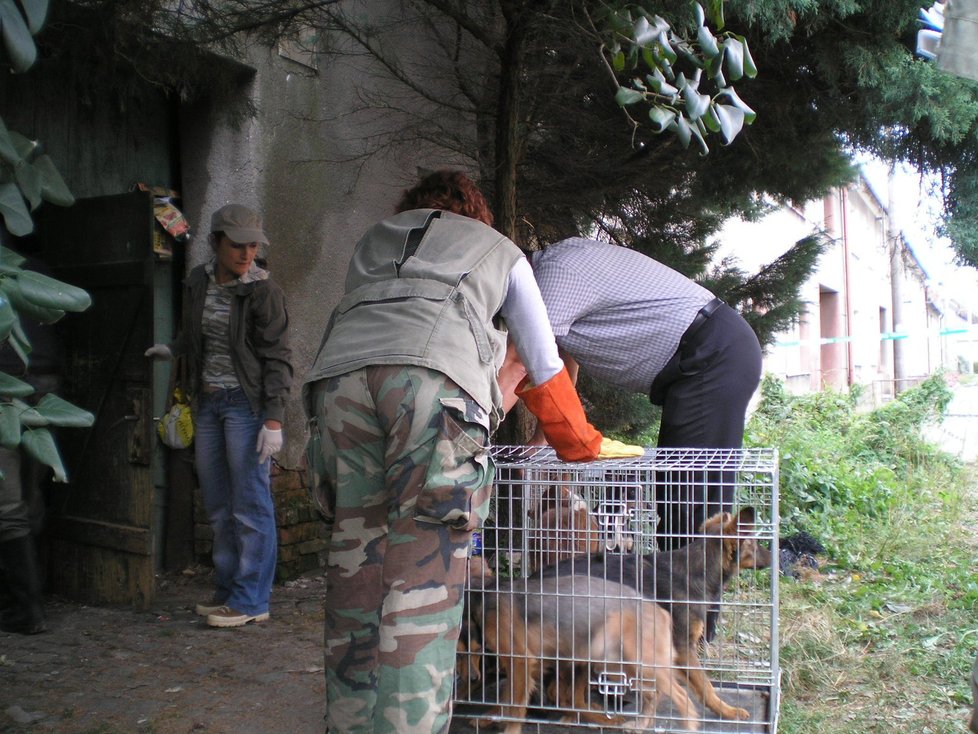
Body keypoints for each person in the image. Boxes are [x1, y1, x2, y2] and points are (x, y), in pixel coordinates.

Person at [303, 170, 630, 734]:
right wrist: (581, 445)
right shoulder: (499, 252)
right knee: (420, 586)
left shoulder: (374, 242)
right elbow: (544, 362)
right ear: (475, 216)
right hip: (432, 388)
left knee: (356, 569)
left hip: (338, 389)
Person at [527, 236, 763, 546]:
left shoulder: (551, 277)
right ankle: (684, 586)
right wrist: (541, 440)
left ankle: (686, 592)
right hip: (706, 355)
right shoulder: (555, 266)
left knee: (689, 504)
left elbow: (521, 357)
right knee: (680, 493)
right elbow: (555, 360)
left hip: (712, 353)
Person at [146, 203, 292, 629]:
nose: (246, 254)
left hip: (245, 409)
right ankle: (229, 591)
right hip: (208, 404)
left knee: (250, 505)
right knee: (217, 505)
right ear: (215, 243)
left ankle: (251, 600)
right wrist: (173, 349)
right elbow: (196, 332)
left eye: (252, 246)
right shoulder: (198, 281)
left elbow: (278, 359)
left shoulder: (264, 292)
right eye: (237, 246)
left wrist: (274, 420)